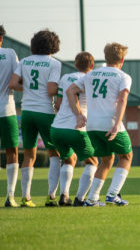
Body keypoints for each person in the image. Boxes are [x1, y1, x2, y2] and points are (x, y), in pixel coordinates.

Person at [67, 42, 133, 206]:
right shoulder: (123, 76)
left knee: (107, 160)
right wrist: (117, 124)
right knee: (126, 156)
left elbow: (70, 91)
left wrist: (79, 115)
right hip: (109, 122)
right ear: (122, 59)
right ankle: (112, 194)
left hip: (92, 125)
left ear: (106, 57)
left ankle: (92, 199)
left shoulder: (90, 75)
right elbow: (123, 99)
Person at [9, 29, 62, 207]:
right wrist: (62, 88)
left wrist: (28, 90)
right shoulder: (54, 63)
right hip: (45, 111)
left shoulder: (24, 61)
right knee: (55, 153)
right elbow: (51, 90)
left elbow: (13, 84)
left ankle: (26, 197)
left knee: (29, 154)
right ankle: (51, 196)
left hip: (27, 112)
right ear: (54, 45)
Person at [50, 52, 98, 206]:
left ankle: (64, 195)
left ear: (76, 64)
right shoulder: (90, 79)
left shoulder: (65, 78)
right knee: (93, 162)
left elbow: (57, 105)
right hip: (76, 128)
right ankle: (80, 198)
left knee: (69, 159)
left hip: (56, 128)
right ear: (92, 66)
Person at [0, 25, 20, 207]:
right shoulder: (10, 53)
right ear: (1, 39)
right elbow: (17, 80)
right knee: (11, 152)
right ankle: (10, 196)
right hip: (6, 109)